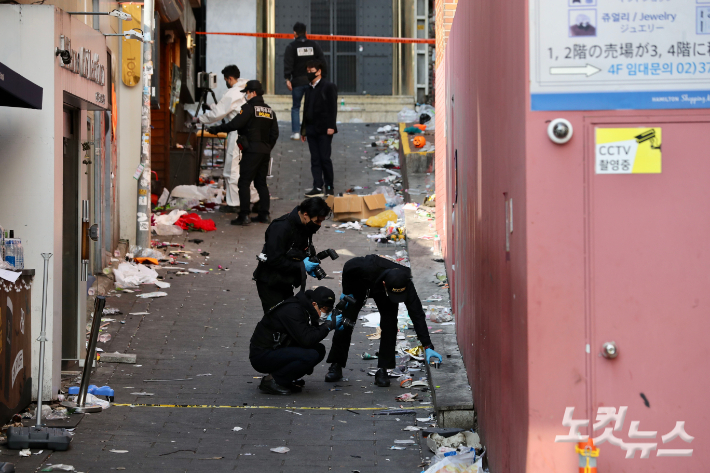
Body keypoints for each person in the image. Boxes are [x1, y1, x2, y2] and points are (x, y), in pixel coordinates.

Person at [324, 255, 444, 387]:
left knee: (390, 325)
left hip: (385, 294)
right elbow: (348, 266)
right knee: (345, 321)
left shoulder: (405, 281)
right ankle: (336, 364)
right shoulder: (363, 266)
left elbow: (417, 314)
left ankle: (383, 370)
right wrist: (346, 291)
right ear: (385, 284)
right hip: (360, 284)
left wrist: (427, 345)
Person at [207, 80, 278, 226]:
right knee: (261, 183)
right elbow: (274, 133)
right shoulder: (269, 110)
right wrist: (267, 147)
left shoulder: (248, 108)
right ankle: (264, 215)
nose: (245, 95)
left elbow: (235, 124)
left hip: (251, 150)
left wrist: (216, 129)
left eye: (246, 92)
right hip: (264, 151)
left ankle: (244, 215)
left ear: (253, 92)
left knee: (244, 182)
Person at [250, 287, 342, 395]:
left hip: (276, 348)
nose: (325, 314)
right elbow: (306, 340)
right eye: (325, 310)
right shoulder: (293, 310)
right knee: (310, 355)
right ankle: (272, 381)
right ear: (314, 304)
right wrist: (327, 326)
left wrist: (328, 325)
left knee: (319, 349)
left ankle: (285, 380)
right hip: (262, 355)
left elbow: (309, 335)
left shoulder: (303, 308)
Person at [192, 65, 257, 213]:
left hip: (237, 134)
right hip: (252, 134)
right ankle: (254, 198)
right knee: (247, 169)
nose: (226, 83)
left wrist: (200, 119)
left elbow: (218, 113)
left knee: (232, 169)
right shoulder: (248, 88)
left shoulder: (233, 92)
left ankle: (234, 203)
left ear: (230, 78)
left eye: (226, 80)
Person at [253, 197, 332, 313]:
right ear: (306, 214)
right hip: (270, 282)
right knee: (277, 320)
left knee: (288, 317)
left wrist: (309, 261)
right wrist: (301, 265)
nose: (319, 225)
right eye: (317, 221)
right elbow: (274, 259)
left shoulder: (305, 226)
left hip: (286, 281)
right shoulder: (281, 227)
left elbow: (303, 248)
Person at [301, 59, 338, 198]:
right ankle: (317, 186)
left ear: (319, 71)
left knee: (324, 158)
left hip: (324, 129)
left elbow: (332, 108)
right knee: (315, 159)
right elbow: (305, 109)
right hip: (311, 129)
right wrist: (303, 130)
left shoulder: (328, 86)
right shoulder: (308, 88)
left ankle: (329, 186)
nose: (309, 74)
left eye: (312, 71)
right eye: (308, 71)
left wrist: (331, 126)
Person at [284, 21, 326, 141]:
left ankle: (296, 133)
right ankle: (313, 131)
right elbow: (322, 61)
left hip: (297, 82)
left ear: (294, 33)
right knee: (313, 106)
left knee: (296, 107)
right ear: (306, 33)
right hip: (312, 82)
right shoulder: (314, 45)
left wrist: (287, 78)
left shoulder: (291, 47)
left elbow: (288, 64)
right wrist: (322, 76)